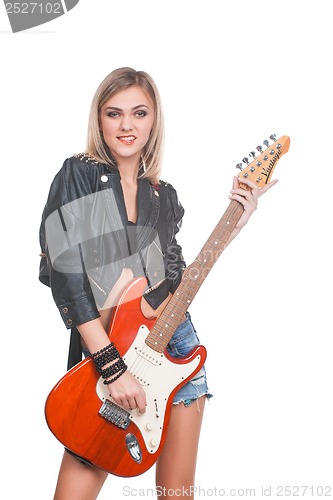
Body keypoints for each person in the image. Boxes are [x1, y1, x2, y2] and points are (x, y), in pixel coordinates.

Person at [39, 67, 277, 499]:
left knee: (177, 495)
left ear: (154, 121)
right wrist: (111, 366)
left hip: (177, 350)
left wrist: (234, 225)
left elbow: (176, 283)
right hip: (108, 353)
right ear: (99, 119)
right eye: (114, 113)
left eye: (139, 113)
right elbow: (64, 272)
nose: (127, 125)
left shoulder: (163, 196)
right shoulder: (79, 174)